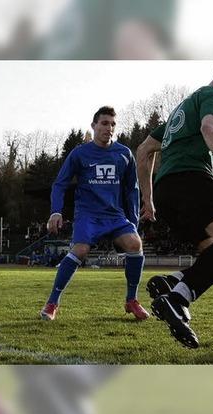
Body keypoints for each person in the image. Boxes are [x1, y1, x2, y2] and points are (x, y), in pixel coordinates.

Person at [136, 60, 213, 349]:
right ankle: (177, 300)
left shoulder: (182, 112)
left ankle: (172, 283)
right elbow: (210, 126)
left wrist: (149, 199)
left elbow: (143, 151)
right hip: (191, 179)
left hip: (167, 194)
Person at [39, 106, 149, 321]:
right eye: (104, 123)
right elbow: (60, 184)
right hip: (88, 214)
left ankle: (131, 300)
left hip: (115, 216)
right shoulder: (80, 153)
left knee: (135, 244)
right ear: (94, 126)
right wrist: (55, 212)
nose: (109, 128)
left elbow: (132, 190)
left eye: (113, 124)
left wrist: (133, 220)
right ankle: (52, 302)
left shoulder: (124, 154)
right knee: (79, 250)